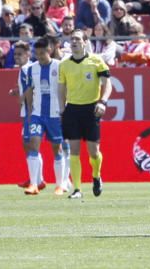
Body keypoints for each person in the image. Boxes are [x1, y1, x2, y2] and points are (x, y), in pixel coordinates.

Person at [58, 30, 111, 199]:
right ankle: (77, 189)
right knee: (73, 151)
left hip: (91, 109)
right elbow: (61, 88)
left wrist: (102, 102)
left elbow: (107, 84)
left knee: (93, 152)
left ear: (85, 42)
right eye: (72, 39)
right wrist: (62, 109)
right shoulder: (64, 64)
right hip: (72, 109)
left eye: (78, 39)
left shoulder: (96, 61)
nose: (74, 41)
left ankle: (96, 176)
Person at [22, 38, 71, 195]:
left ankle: (60, 185)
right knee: (33, 143)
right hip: (37, 115)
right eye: (37, 53)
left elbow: (66, 89)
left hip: (55, 114)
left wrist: (65, 110)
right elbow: (29, 89)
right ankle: (34, 184)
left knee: (57, 149)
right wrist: (30, 111)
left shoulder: (59, 66)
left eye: (42, 53)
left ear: (49, 50)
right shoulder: (31, 69)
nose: (40, 56)